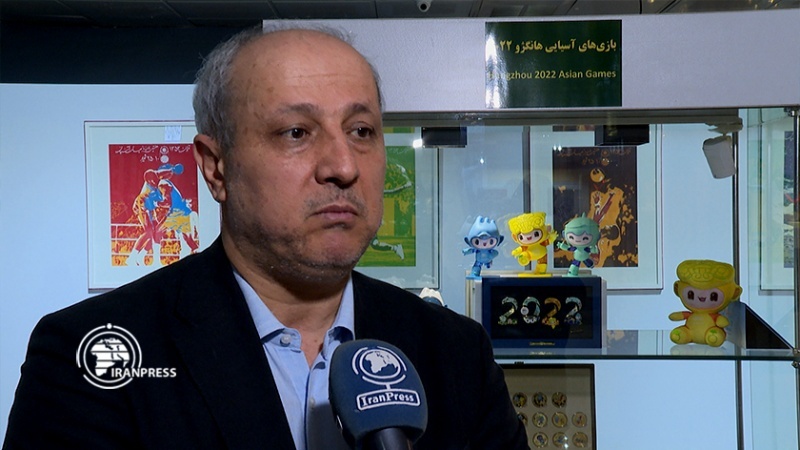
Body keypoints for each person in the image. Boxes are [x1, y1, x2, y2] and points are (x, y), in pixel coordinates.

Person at [3, 24, 529, 450]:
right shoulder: (89, 357)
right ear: (216, 168)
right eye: (296, 132)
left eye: (361, 131)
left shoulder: (456, 353)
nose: (344, 166)